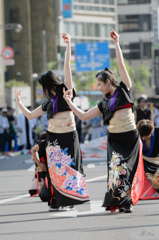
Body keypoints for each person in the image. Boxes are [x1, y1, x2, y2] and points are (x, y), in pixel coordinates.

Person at [63, 29, 144, 213]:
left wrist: (116, 44)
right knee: (117, 171)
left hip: (130, 138)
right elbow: (83, 116)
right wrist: (69, 102)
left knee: (128, 170)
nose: (98, 88)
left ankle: (126, 200)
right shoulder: (103, 104)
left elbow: (121, 63)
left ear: (108, 82)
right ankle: (122, 201)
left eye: (99, 84)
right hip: (114, 140)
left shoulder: (125, 89)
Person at [15, 33, 89, 211]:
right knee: (56, 169)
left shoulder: (66, 91)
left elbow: (67, 68)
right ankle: (57, 201)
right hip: (53, 137)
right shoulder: (48, 103)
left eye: (43, 86)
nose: (43, 90)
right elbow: (31, 115)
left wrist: (68, 45)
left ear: (48, 84)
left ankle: (70, 200)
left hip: (69, 135)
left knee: (70, 166)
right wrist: (19, 104)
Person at [137, 120, 159, 199]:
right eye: (142, 136)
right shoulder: (136, 136)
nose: (144, 138)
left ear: (152, 131)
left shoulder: (158, 132)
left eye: (147, 135)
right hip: (144, 163)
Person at [29, 132, 48, 202]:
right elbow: (33, 158)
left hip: (49, 172)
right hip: (40, 173)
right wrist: (39, 163)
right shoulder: (39, 144)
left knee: (45, 194)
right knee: (32, 191)